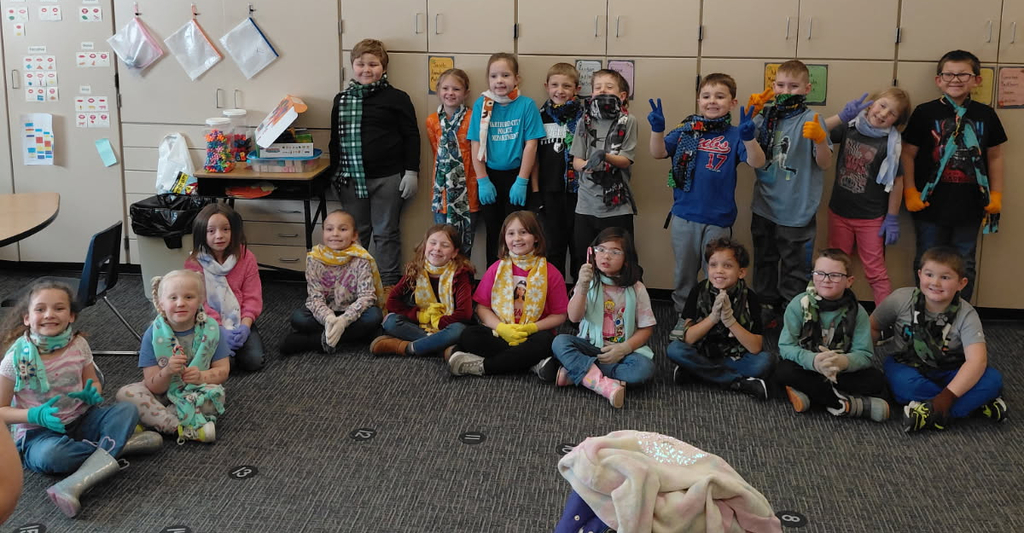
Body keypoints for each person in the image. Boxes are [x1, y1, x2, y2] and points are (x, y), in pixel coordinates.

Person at [1, 281, 151, 518]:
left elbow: (93, 383)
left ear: (71, 316)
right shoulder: (13, 360)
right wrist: (33, 414)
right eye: (40, 309)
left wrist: (93, 392)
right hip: (39, 434)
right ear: (27, 318)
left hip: (81, 419)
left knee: (127, 411)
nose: (49, 315)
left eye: (59, 308)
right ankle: (118, 447)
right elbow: (1, 410)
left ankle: (82, 476)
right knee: (51, 457)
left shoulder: (79, 345)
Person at [648, 73, 766, 340]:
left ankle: (716, 318)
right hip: (684, 216)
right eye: (707, 96)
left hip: (718, 219)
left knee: (719, 274)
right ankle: (685, 317)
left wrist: (749, 137)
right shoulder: (684, 130)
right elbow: (657, 153)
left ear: (733, 103)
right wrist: (657, 130)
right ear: (699, 100)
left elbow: (757, 162)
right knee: (684, 274)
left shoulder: (737, 134)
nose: (713, 101)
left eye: (720, 96)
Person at [901, 50, 1007, 301]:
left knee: (965, 262)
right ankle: (923, 315)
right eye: (948, 74)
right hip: (929, 205)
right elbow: (906, 154)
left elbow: (995, 157)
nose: (955, 79)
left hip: (971, 205)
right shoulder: (925, 113)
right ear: (938, 80)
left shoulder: (986, 115)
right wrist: (909, 191)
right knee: (926, 259)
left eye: (963, 74)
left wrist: (997, 195)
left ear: (977, 80)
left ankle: (958, 317)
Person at [870, 246, 1006, 433]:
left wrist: (948, 396)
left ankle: (928, 412)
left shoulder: (967, 314)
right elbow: (873, 326)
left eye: (945, 277)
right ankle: (972, 405)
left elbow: (977, 361)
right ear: (919, 275)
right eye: (929, 274)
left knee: (993, 380)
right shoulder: (900, 299)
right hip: (907, 364)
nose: (935, 282)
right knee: (904, 387)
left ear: (961, 283)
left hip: (951, 368)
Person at [747, 60, 833, 328]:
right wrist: (750, 113)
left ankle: (791, 313)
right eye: (781, 85)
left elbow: (825, 163)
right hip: (764, 206)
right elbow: (746, 145)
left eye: (793, 86)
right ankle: (765, 307)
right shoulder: (764, 117)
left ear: (806, 89)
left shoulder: (812, 120)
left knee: (796, 269)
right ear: (772, 88)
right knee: (764, 261)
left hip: (797, 210)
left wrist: (820, 140)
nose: (787, 90)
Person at [329, 38, 420, 287]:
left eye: (373, 64)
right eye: (360, 64)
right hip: (350, 179)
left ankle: (389, 286)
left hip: (389, 178)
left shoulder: (397, 98)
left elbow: (412, 136)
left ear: (384, 68)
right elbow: (334, 140)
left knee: (386, 233)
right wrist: (332, 176)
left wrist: (412, 171)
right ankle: (352, 284)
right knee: (355, 233)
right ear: (352, 66)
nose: (366, 69)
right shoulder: (342, 100)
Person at [448, 211, 568, 377]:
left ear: (536, 237)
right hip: (501, 333)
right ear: (505, 238)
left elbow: (560, 316)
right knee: (469, 335)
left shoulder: (551, 273)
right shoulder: (496, 269)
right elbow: (481, 308)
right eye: (511, 233)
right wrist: (501, 327)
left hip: (533, 335)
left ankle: (484, 367)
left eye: (523, 232)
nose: (517, 238)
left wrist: (531, 328)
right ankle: (531, 363)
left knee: (547, 342)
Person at [776, 249, 889, 422]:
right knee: (782, 370)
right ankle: (843, 404)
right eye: (819, 273)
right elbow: (786, 346)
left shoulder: (858, 312)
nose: (826, 280)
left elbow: (864, 354)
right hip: (808, 366)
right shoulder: (799, 304)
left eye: (835, 275)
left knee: (877, 380)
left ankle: (810, 393)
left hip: (839, 370)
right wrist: (813, 361)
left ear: (849, 281)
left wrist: (842, 362)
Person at [117, 270, 229, 445]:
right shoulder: (153, 334)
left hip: (196, 391)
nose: (180, 303)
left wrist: (201, 377)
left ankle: (152, 422)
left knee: (216, 397)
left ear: (200, 300)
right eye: (173, 298)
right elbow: (153, 385)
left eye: (189, 297)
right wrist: (168, 371)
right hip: (162, 393)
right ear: (161, 304)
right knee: (125, 394)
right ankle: (181, 426)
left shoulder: (213, 330)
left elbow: (223, 371)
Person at [823, 88, 912, 306]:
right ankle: (833, 312)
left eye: (891, 113)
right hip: (840, 213)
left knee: (876, 272)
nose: (883, 114)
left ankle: (884, 321)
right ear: (871, 103)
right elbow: (818, 130)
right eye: (882, 105)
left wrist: (891, 218)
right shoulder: (850, 127)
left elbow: (897, 183)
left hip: (871, 220)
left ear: (897, 121)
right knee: (835, 268)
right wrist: (842, 116)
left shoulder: (890, 145)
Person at [550, 228, 656, 408]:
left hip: (620, 350)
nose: (606, 256)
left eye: (615, 252)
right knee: (559, 342)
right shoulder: (589, 281)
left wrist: (624, 348)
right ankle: (602, 384)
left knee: (644, 369)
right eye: (601, 249)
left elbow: (647, 328)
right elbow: (574, 318)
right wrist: (582, 287)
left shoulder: (636, 288)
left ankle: (579, 373)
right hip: (589, 345)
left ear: (626, 259)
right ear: (592, 252)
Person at [665, 238, 771, 400]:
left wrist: (730, 321)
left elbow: (756, 347)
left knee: (765, 361)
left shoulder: (750, 298)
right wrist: (713, 318)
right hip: (703, 352)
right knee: (675, 350)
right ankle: (737, 382)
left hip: (735, 356)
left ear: (741, 272)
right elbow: (687, 338)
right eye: (713, 265)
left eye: (727, 266)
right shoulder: (699, 290)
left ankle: (698, 372)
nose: (719, 270)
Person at [468, 52, 546, 266]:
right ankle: (493, 287)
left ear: (516, 79)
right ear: (488, 80)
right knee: (495, 234)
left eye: (505, 75)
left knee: (519, 235)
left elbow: (532, 145)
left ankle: (520, 284)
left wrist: (522, 181)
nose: (499, 81)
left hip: (517, 177)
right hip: (490, 178)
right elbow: (475, 143)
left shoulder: (526, 105)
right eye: (494, 76)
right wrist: (483, 180)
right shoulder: (481, 105)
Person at [281, 210, 385, 355]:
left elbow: (367, 297)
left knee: (375, 316)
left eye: (342, 229)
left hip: (352, 312)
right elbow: (314, 298)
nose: (335, 233)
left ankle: (313, 341)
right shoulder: (314, 258)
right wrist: (328, 318)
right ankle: (356, 336)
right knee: (298, 319)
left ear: (354, 235)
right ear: (323, 233)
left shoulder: (361, 259)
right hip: (325, 313)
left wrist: (344, 321)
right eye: (329, 229)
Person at [371, 224, 474, 357]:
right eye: (433, 243)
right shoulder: (416, 269)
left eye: (445, 245)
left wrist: (439, 321)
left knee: (459, 330)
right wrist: (420, 315)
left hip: (448, 324)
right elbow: (392, 302)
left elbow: (464, 314)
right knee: (390, 321)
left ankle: (405, 347)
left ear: (454, 253)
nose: (437, 249)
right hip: (421, 323)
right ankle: (441, 347)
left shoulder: (461, 274)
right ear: (425, 245)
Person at [184, 203, 265, 372]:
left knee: (253, 362)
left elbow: (252, 297)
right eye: (211, 231)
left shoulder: (246, 257)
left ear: (233, 231)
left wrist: (245, 325)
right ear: (201, 233)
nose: (219, 236)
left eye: (225, 229)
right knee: (225, 364)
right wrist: (219, 330)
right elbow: (199, 302)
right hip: (207, 322)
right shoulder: (194, 263)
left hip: (240, 318)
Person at [571, 69, 640, 259]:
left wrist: (604, 156)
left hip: (617, 207)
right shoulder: (584, 121)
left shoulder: (628, 121)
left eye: (608, 87)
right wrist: (586, 166)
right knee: (584, 260)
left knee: (619, 261)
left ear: (622, 95)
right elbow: (576, 160)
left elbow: (625, 160)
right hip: (585, 205)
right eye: (597, 87)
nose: (602, 91)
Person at [533, 62, 585, 278]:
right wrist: (535, 192)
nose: (560, 91)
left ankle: (579, 299)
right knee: (552, 248)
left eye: (566, 86)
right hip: (549, 192)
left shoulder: (585, 117)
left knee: (580, 249)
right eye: (555, 85)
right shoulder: (539, 116)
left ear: (577, 90)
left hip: (579, 193)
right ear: (546, 86)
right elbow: (533, 156)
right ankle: (555, 297)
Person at [425, 68, 479, 255]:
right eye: (445, 88)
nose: (450, 93)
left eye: (456, 89)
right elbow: (436, 153)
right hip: (443, 198)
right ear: (438, 90)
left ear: (466, 93)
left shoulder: (474, 118)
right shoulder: (432, 121)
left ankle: (463, 282)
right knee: (442, 245)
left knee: (464, 247)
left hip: (468, 194)